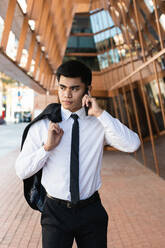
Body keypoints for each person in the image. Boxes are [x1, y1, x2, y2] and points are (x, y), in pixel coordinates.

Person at [15, 60, 140, 248]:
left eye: (74, 88)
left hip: (91, 210)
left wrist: (100, 114)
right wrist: (46, 149)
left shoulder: (99, 123)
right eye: (62, 87)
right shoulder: (43, 125)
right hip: (55, 212)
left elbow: (133, 144)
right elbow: (22, 171)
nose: (66, 94)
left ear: (87, 89)